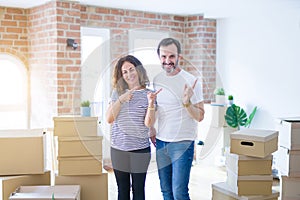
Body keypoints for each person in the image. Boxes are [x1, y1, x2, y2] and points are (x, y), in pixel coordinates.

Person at [153, 38, 205, 200]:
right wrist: (151, 129)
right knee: (166, 191)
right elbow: (158, 109)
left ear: (179, 57)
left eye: (171, 57)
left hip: (183, 143)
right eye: (163, 57)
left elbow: (201, 116)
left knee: (179, 192)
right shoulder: (157, 80)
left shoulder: (191, 81)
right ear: (159, 57)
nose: (167, 61)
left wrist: (187, 102)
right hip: (161, 142)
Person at [106, 55, 160, 200]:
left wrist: (150, 103)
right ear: (121, 75)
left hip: (140, 150)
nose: (129, 74)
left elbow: (148, 124)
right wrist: (121, 99)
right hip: (119, 150)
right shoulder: (117, 93)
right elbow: (109, 119)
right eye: (125, 72)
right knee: (122, 191)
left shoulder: (149, 94)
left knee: (138, 190)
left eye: (131, 69)